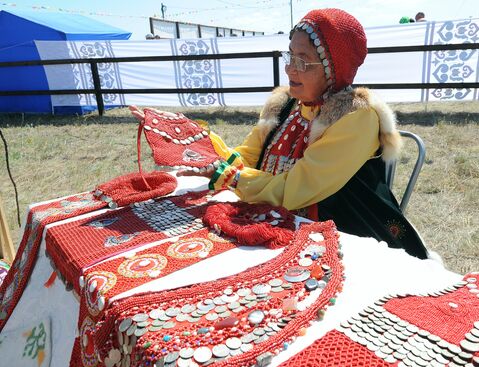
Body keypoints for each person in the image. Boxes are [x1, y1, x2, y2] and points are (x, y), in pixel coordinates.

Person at [131, 8, 428, 259]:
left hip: (346, 236)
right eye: (290, 56)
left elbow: (293, 190)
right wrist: (187, 136)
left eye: (304, 60)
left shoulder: (356, 118)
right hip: (276, 219)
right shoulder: (285, 104)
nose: (290, 69)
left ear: (333, 69)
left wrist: (231, 176)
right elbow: (247, 155)